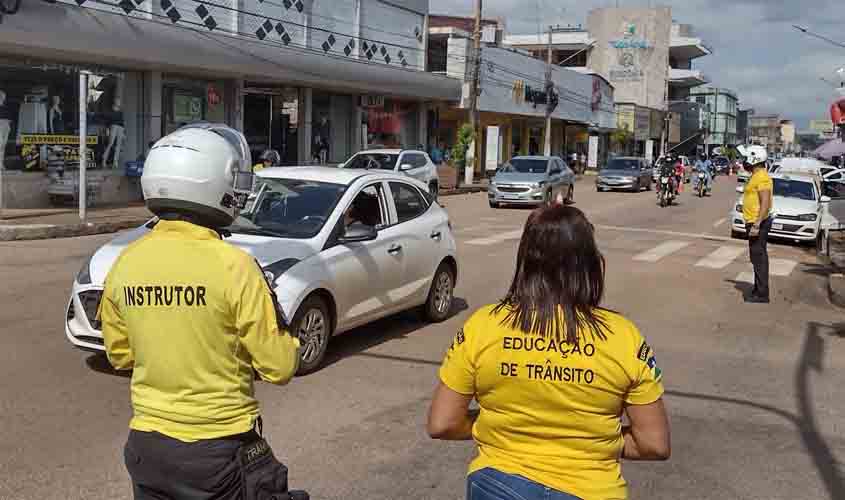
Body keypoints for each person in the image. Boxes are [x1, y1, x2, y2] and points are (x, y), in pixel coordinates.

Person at [98, 123, 304, 499]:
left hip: (147, 448)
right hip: (217, 451)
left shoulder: (125, 262)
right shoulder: (235, 266)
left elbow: (120, 355)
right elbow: (279, 366)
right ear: (214, 183)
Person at [427, 205, 670, 500]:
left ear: (525, 262)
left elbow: (443, 423)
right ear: (591, 264)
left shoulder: (484, 325)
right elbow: (653, 443)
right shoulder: (623, 337)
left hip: (498, 484)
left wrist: (498, 427)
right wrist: (595, 441)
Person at [737, 144, 773, 303]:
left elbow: (765, 202)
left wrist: (757, 224)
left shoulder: (762, 177)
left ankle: (762, 294)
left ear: (754, 159)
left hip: (758, 223)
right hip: (754, 221)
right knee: (756, 257)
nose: (744, 161)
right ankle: (758, 288)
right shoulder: (756, 175)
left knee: (759, 258)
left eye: (746, 158)